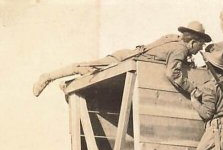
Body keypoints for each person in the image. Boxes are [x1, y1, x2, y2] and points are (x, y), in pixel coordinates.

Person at [32, 21, 211, 96]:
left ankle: (67, 83)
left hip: (129, 54)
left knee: (91, 70)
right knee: (85, 67)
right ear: (193, 41)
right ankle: (48, 76)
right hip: (125, 60)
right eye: (200, 44)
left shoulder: (173, 39)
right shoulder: (180, 49)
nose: (200, 48)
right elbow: (173, 73)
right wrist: (193, 89)